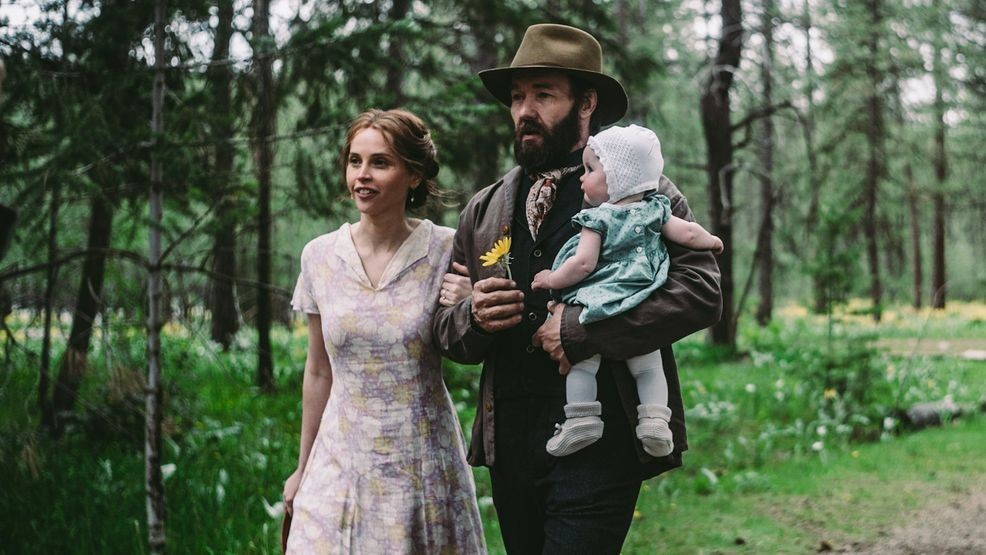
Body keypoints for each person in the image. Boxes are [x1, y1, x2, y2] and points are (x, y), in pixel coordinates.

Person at [433, 24, 722, 553]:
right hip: (511, 445)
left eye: (543, 94)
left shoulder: (646, 193)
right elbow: (448, 337)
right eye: (518, 97)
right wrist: (473, 316)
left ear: (586, 103)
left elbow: (700, 291)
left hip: (603, 440)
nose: (524, 110)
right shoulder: (483, 208)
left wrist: (583, 328)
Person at [282, 108, 485, 554]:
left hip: (421, 465)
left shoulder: (446, 249)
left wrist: (472, 301)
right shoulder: (319, 257)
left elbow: (471, 341)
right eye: (355, 161)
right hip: (338, 464)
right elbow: (318, 372)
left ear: (413, 175)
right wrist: (302, 468)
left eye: (380, 162)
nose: (362, 176)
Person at [531, 124, 724, 458]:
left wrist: (550, 278)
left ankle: (582, 418)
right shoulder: (656, 208)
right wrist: (714, 241)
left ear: (618, 178)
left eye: (590, 170)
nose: (582, 177)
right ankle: (654, 420)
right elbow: (689, 234)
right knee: (649, 365)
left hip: (601, 299)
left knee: (582, 362)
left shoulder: (597, 218)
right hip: (639, 295)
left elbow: (583, 265)